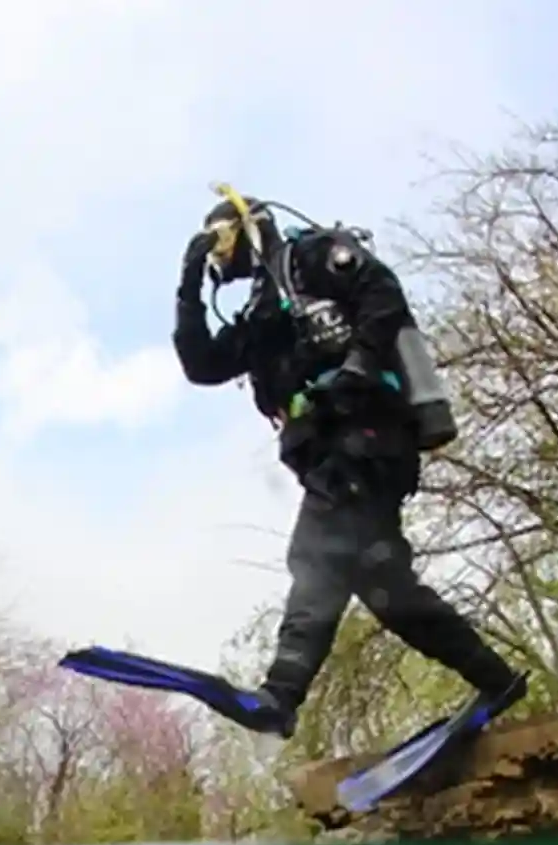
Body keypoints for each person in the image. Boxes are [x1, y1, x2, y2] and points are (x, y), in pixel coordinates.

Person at [173, 192, 525, 738]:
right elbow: (201, 364)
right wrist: (189, 282)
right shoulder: (262, 316)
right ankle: (495, 679)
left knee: (315, 555)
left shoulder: (310, 259)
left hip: (367, 434)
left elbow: (382, 293)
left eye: (220, 245)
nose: (222, 261)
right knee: (388, 589)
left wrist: (358, 368)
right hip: (330, 453)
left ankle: (280, 695)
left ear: (246, 231)